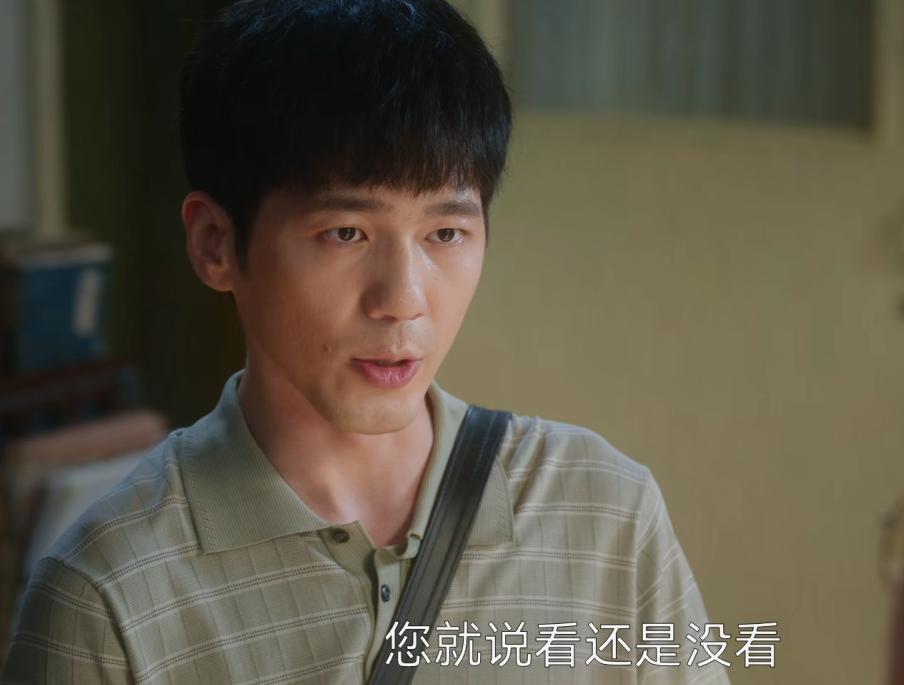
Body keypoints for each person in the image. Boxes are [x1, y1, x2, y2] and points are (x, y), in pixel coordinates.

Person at [1, 1, 730, 683]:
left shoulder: (605, 511)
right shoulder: (106, 595)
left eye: (446, 233)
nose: (404, 300)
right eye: (345, 233)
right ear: (215, 243)